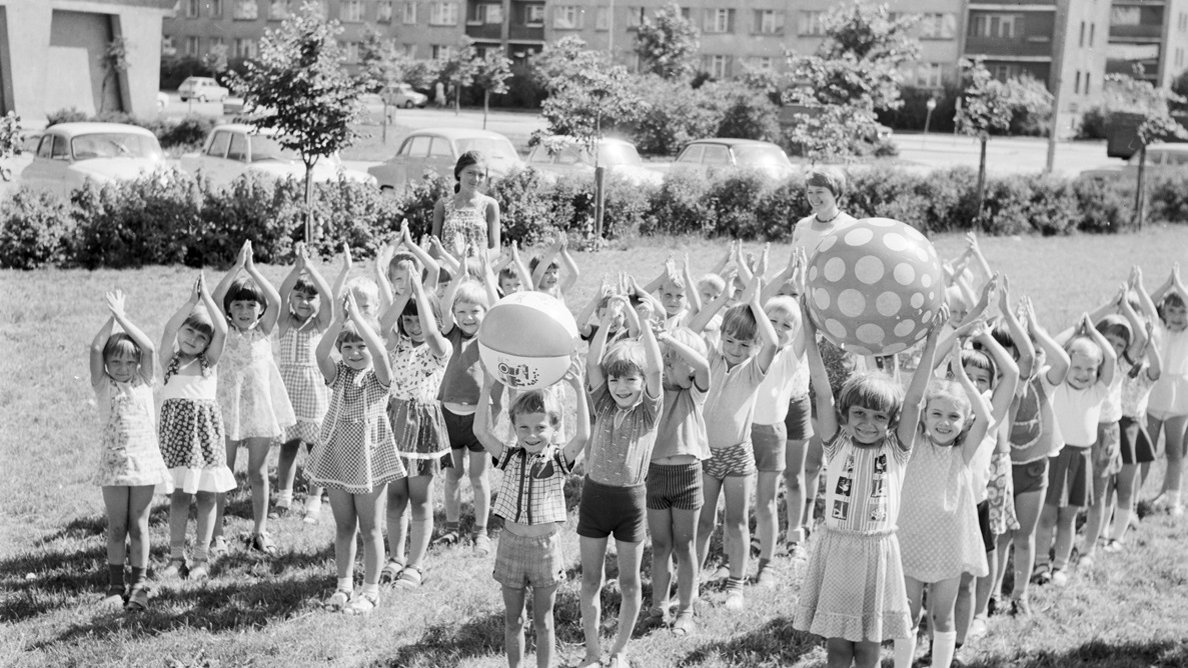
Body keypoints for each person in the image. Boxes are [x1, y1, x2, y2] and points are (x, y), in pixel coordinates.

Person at [793, 301, 947, 668]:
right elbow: (821, 390)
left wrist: (932, 341)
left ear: (890, 422)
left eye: (878, 416)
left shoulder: (897, 449)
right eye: (859, 413)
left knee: (869, 649)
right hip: (838, 549)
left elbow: (912, 401)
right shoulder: (836, 442)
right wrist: (810, 335)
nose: (867, 422)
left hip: (878, 554)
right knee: (838, 648)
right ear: (845, 416)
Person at [474, 366, 590, 668]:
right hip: (511, 547)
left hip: (545, 549)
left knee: (544, 621)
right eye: (523, 428)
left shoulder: (559, 459)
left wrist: (578, 389)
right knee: (513, 620)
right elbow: (480, 432)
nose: (532, 435)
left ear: (553, 428)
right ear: (514, 427)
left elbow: (584, 435)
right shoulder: (509, 456)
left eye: (540, 427)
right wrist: (487, 388)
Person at [895, 339, 1000, 668]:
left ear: (964, 423)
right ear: (924, 417)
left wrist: (962, 379)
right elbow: (913, 396)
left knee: (942, 617)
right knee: (907, 614)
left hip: (948, 548)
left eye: (953, 416)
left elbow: (983, 416)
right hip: (911, 542)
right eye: (937, 414)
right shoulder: (912, 445)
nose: (944, 421)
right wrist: (945, 361)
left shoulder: (962, 452)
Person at [307, 291, 407, 614]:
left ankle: (371, 590)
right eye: (347, 346)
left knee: (371, 528)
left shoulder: (378, 378)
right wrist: (339, 321)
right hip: (337, 458)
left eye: (360, 345)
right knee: (344, 526)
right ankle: (344, 584)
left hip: (370, 459)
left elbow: (380, 355)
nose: (353, 352)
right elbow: (320, 354)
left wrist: (362, 324)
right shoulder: (339, 376)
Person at [578, 295, 663, 668]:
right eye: (616, 379)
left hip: (630, 503)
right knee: (590, 580)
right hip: (595, 498)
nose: (621, 386)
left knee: (629, 583)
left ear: (643, 383)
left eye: (630, 379)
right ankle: (593, 651)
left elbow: (658, 371)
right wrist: (608, 322)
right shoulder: (604, 404)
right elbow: (593, 363)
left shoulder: (648, 411)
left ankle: (620, 651)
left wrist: (643, 325)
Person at [688, 275, 779, 610]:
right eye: (730, 341)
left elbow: (771, 344)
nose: (736, 350)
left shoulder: (755, 368)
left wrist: (755, 304)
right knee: (704, 521)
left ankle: (736, 585)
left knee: (737, 521)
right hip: (705, 455)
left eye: (744, 345)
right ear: (722, 337)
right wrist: (723, 299)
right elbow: (692, 330)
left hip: (738, 455)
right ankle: (692, 580)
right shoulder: (710, 358)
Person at [210, 240, 296, 558]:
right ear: (230, 311)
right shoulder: (224, 331)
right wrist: (236, 268)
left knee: (257, 472)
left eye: (250, 306)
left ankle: (260, 530)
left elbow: (275, 300)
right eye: (239, 306)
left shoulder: (264, 330)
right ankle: (216, 533)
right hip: (229, 407)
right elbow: (216, 298)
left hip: (259, 407)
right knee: (224, 471)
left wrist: (253, 270)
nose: (245, 312)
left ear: (259, 311)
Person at [90, 289, 171, 611]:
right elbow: (96, 347)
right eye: (115, 361)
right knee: (116, 526)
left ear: (137, 363)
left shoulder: (144, 382)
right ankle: (114, 586)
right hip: (113, 465)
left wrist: (123, 317)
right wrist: (112, 317)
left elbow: (150, 347)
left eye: (129, 360)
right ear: (108, 364)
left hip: (144, 464)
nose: (122, 366)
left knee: (139, 525)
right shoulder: (103, 385)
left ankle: (139, 584)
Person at [378, 264, 452, 589]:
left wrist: (421, 292)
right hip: (394, 420)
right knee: (395, 497)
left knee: (420, 498)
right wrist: (405, 293)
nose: (413, 325)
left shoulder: (441, 348)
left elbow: (433, 334)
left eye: (418, 319)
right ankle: (395, 557)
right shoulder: (399, 343)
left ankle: (416, 564)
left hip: (423, 426)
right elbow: (382, 325)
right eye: (407, 320)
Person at [158, 274, 235, 582]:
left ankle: (202, 557)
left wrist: (209, 303)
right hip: (176, 438)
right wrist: (192, 302)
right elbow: (167, 330)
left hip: (205, 439)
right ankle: (176, 557)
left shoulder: (208, 363)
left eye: (202, 337)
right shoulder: (169, 361)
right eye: (189, 331)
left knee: (206, 496)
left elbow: (224, 332)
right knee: (178, 496)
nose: (193, 339)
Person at [991, 293, 1064, 615]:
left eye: (1032, 351)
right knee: (1001, 538)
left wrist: (1032, 326)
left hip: (1033, 469)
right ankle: (992, 594)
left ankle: (1020, 595)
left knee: (1024, 536)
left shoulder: (1042, 382)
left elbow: (1061, 362)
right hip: (1001, 470)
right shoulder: (997, 384)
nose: (1026, 358)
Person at [1033, 314, 1116, 587]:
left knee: (1067, 518)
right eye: (1077, 367)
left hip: (1081, 460)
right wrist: (1074, 331)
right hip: (1054, 456)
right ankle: (1041, 563)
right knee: (1046, 515)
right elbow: (1053, 351)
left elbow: (1112, 360)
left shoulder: (1098, 391)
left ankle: (1060, 566)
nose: (1083, 375)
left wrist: (1092, 331)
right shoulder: (1055, 386)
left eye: (1090, 370)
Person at [646, 327, 711, 635]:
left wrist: (672, 340)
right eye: (674, 359)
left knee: (685, 547)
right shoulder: (654, 392)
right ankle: (659, 607)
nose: (692, 366)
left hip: (687, 477)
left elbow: (703, 367)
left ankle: (685, 611)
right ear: (668, 361)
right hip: (656, 476)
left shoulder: (695, 394)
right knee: (660, 546)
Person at [749, 294, 807, 585]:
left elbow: (808, 330)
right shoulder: (748, 352)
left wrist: (808, 304)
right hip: (742, 433)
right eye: (772, 321)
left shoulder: (789, 359)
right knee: (735, 498)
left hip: (772, 435)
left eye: (787, 325)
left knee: (766, 501)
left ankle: (766, 566)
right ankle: (727, 561)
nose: (779, 328)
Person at [436, 273, 496, 554]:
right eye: (462, 312)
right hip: (448, 416)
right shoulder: (451, 333)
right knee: (453, 475)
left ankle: (480, 532)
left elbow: (496, 308)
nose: (468, 317)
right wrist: (458, 277)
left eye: (475, 311)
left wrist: (487, 274)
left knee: (478, 477)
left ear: (485, 313)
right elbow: (444, 308)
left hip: (480, 420)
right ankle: (451, 528)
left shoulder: (491, 337)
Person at [274, 242, 334, 523]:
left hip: (313, 390)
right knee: (288, 446)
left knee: (315, 448)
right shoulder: (284, 322)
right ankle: (283, 497)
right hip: (288, 390)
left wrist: (311, 268)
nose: (304, 302)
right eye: (299, 296)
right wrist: (297, 269)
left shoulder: (320, 325)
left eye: (310, 298)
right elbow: (280, 293)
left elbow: (329, 299)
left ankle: (313, 500)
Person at [1145, 265, 1188, 515]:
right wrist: (1167, 285)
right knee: (1147, 451)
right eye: (1172, 310)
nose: (1178, 316)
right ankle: (1130, 501)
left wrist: (1180, 286)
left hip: (1180, 397)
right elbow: (1148, 304)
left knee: (1174, 450)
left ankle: (1174, 501)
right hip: (1155, 394)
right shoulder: (1158, 328)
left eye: (1183, 311)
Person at [431, 151, 501, 258]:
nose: (476, 179)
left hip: (478, 270)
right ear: (459, 173)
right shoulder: (443, 205)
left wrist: (474, 263)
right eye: (470, 173)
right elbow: (434, 247)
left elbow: (495, 250)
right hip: (449, 269)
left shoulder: (490, 205)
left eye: (481, 175)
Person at [531, 231, 580, 302]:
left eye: (555, 272)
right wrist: (553, 251)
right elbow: (537, 275)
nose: (552, 276)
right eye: (547, 273)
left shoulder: (559, 291)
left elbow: (574, 275)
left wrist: (564, 252)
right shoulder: (534, 290)